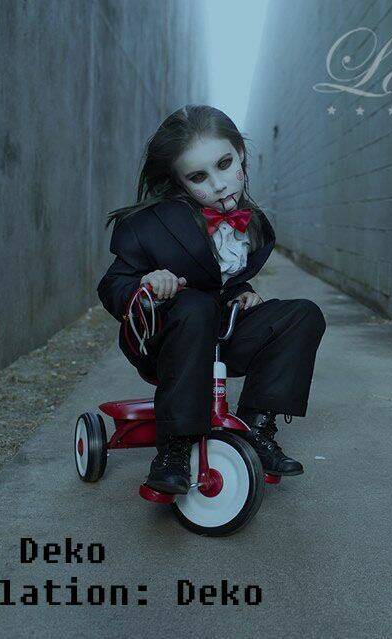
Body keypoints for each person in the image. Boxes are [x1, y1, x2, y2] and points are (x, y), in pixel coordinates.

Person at [96, 105, 326, 495]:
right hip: (166, 337)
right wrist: (146, 284)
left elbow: (220, 277)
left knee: (302, 315)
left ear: (241, 153)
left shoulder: (253, 224)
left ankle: (257, 426)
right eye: (199, 177)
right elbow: (113, 284)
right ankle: (175, 446)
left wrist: (240, 293)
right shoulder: (148, 226)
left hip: (221, 333)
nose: (219, 185)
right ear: (179, 181)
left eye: (224, 164)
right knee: (195, 306)